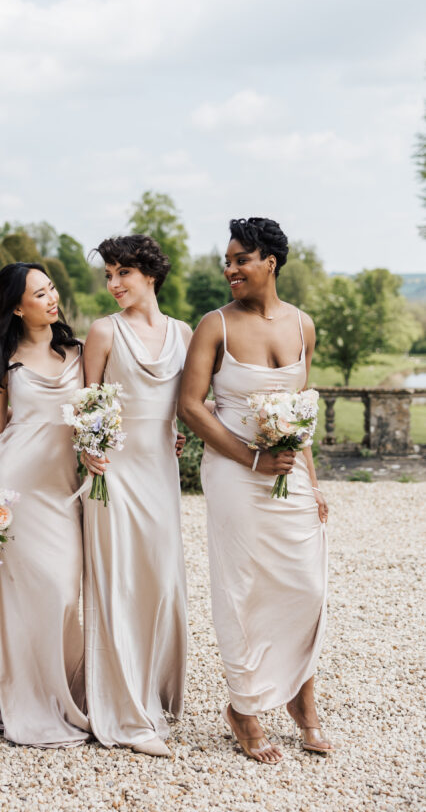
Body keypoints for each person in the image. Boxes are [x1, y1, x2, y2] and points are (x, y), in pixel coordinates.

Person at [178, 217, 332, 764]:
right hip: (233, 473)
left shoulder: (302, 326)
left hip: (289, 472)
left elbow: (301, 414)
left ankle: (299, 696)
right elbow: (191, 406)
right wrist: (251, 458)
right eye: (228, 260)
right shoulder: (213, 325)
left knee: (306, 587)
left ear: (270, 261)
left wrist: (311, 482)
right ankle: (244, 706)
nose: (230, 269)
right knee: (243, 586)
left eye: (241, 259)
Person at [81, 234, 191, 757]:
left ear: (150, 274)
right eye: (108, 275)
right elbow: (85, 404)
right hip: (114, 474)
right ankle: (125, 712)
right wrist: (87, 451)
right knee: (118, 584)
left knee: (160, 582)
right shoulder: (103, 331)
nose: (113, 284)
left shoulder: (185, 333)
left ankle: (154, 693)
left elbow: (188, 403)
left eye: (122, 272)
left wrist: (181, 430)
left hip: (161, 474)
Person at [0, 262, 89, 748]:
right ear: (17, 307)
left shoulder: (79, 352)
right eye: (39, 294)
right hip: (16, 485)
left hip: (61, 490)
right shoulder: (3, 360)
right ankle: (28, 701)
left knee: (65, 591)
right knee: (28, 596)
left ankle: (66, 694)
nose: (51, 298)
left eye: (51, 289)